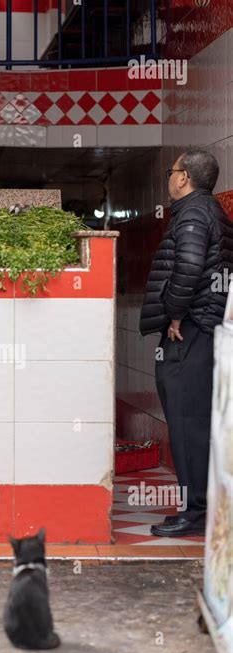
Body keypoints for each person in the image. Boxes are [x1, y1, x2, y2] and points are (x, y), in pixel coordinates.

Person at [139, 149, 233, 537]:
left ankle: (195, 513)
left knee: (186, 421)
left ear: (184, 177)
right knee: (194, 420)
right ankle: (201, 507)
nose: (169, 178)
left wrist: (175, 313)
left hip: (190, 328)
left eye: (172, 171)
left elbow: (190, 266)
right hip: (202, 326)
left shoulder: (194, 213)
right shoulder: (208, 211)